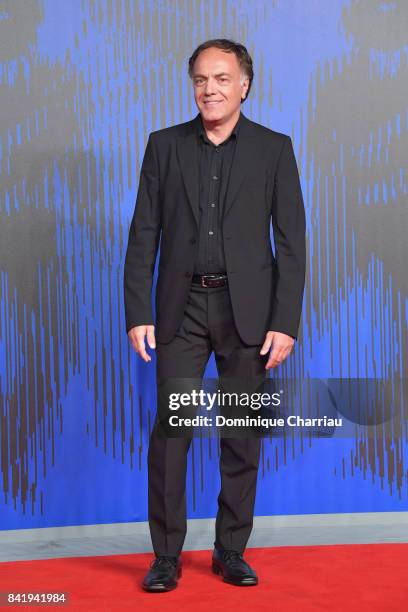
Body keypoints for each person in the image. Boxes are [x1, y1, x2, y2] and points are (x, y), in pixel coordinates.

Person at [124, 38, 306, 592]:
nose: (211, 89)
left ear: (244, 86)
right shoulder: (164, 146)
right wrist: (138, 311)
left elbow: (292, 242)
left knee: (241, 433)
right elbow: (144, 235)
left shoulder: (274, 149)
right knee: (173, 432)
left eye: (222, 79)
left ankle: (230, 550)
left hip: (247, 312)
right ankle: (165, 557)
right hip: (180, 310)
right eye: (202, 79)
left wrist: (285, 321)